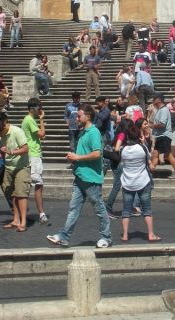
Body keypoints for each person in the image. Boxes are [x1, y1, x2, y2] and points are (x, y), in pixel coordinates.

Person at [47, 105, 113, 248]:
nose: (76, 118)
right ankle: (64, 236)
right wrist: (74, 158)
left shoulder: (93, 132)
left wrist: (78, 157)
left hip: (91, 178)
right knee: (73, 208)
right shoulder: (83, 132)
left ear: (87, 117)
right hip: (80, 177)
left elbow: (97, 154)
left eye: (79, 116)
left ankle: (106, 237)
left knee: (99, 208)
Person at [117, 122, 161, 243]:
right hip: (142, 181)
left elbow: (122, 162)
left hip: (127, 182)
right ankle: (151, 234)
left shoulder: (123, 150)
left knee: (126, 210)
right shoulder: (142, 148)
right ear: (138, 136)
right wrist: (144, 142)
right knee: (147, 209)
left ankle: (125, 234)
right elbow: (149, 162)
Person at [22, 98, 49, 225]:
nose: (41, 110)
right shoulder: (30, 120)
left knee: (35, 184)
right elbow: (42, 134)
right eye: (39, 108)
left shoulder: (28, 119)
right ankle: (41, 213)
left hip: (33, 154)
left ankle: (25, 212)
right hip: (33, 155)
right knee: (37, 184)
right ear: (32, 108)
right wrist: (42, 119)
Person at [150, 96, 175, 178]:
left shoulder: (164, 110)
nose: (153, 101)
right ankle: (151, 172)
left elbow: (162, 124)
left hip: (164, 135)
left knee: (168, 154)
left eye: (154, 99)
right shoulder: (160, 110)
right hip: (160, 135)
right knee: (155, 153)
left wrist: (152, 126)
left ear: (158, 100)